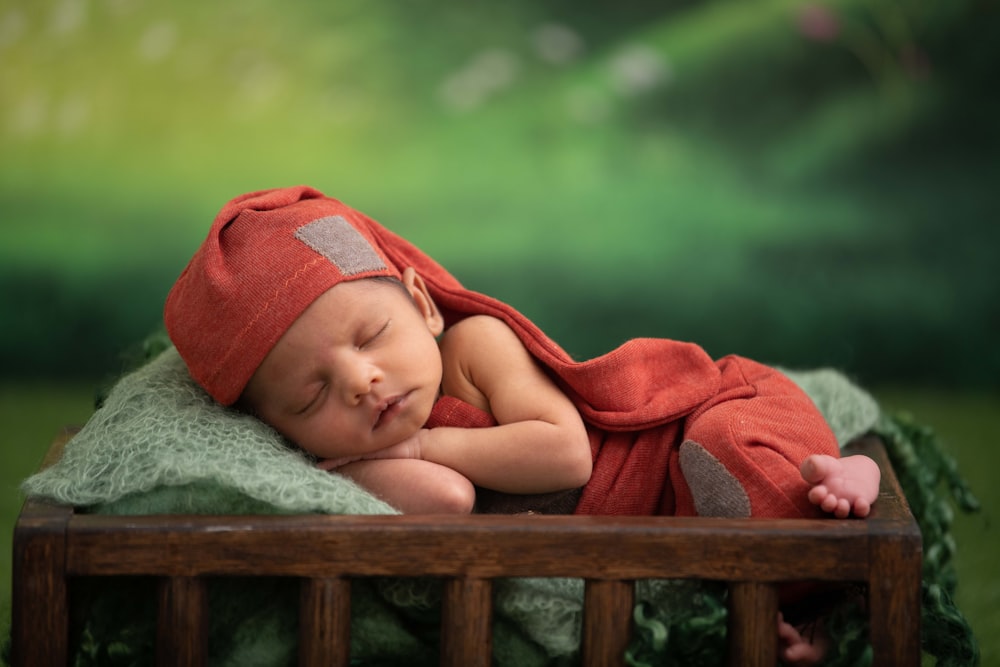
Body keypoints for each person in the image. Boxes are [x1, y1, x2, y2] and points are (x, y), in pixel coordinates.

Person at [165, 185, 880, 662]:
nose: (361, 383)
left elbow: (567, 455)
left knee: (725, 468)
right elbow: (449, 500)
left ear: (422, 304)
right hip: (673, 511)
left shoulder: (474, 349)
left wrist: (422, 442)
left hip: (708, 416)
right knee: (731, 555)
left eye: (369, 335)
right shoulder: (361, 456)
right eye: (309, 396)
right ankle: (816, 622)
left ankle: (846, 474)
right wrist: (375, 463)